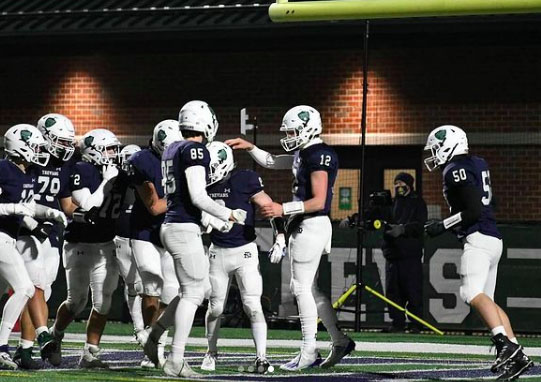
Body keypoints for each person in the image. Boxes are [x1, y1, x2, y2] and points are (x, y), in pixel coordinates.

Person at [226, 105, 355, 371]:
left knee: (300, 288)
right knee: (312, 289)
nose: (290, 136)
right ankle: (339, 340)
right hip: (308, 224)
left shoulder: (319, 154)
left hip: (311, 223)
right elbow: (274, 161)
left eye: (294, 130)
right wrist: (250, 147)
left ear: (309, 127)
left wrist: (283, 209)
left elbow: (319, 200)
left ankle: (308, 351)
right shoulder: (306, 152)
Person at [143, 100, 247, 378]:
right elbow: (198, 196)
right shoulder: (194, 149)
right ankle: (175, 358)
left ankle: (155, 335)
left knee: (194, 290)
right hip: (182, 227)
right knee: (193, 293)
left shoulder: (173, 147)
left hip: (174, 225)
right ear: (207, 123)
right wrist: (229, 214)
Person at [424, 125, 533, 380]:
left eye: (437, 147)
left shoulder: (455, 169)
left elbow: (472, 211)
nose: (435, 153)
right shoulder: (477, 162)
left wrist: (442, 225)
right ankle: (518, 355)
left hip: (479, 238)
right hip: (492, 237)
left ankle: (506, 345)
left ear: (450, 145)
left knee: (469, 292)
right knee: (488, 301)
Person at [49, 129, 127, 368]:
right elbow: (87, 205)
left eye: (116, 148)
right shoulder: (82, 170)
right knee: (76, 301)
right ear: (94, 152)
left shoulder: (119, 174)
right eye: (110, 149)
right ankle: (55, 336)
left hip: (105, 243)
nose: (114, 154)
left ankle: (90, 352)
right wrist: (106, 182)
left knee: (103, 302)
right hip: (79, 243)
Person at [200, 141, 273, 373]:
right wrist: (208, 221)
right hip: (217, 251)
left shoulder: (244, 178)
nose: (208, 172)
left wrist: (280, 235)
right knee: (215, 308)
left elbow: (267, 205)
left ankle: (262, 357)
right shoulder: (200, 182)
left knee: (252, 304)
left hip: (245, 251)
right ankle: (210, 352)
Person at [0, 124, 67, 369]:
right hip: (1, 236)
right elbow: (15, 207)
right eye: (35, 147)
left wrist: (48, 212)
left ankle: (6, 347)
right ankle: (8, 345)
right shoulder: (3, 169)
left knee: (23, 289)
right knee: (25, 288)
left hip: (8, 236)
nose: (39, 152)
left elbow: (27, 206)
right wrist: (13, 209)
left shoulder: (25, 172)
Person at [13, 114, 78, 369]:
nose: (65, 148)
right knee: (34, 287)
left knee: (42, 291)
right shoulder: (29, 159)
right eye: (60, 142)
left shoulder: (64, 165)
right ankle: (42, 336)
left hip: (52, 233)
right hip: (26, 229)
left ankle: (25, 349)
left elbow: (66, 204)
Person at [127, 120, 182, 368]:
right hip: (144, 232)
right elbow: (154, 206)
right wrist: (187, 198)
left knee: (171, 291)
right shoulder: (142, 161)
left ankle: (158, 340)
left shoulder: (184, 157)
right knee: (151, 286)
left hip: (171, 231)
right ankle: (153, 348)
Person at [382, 172, 427, 333]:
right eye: (396, 183)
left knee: (412, 290)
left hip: (410, 256)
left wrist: (403, 229)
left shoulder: (418, 202)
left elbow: (420, 224)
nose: (399, 186)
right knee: (393, 292)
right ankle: (397, 323)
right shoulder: (391, 204)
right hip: (393, 256)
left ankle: (415, 324)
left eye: (402, 183)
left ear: (410, 185)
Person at [113, 144, 145, 354]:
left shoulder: (146, 177)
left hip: (144, 237)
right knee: (133, 284)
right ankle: (139, 327)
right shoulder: (116, 180)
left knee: (148, 285)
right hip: (122, 237)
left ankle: (146, 328)